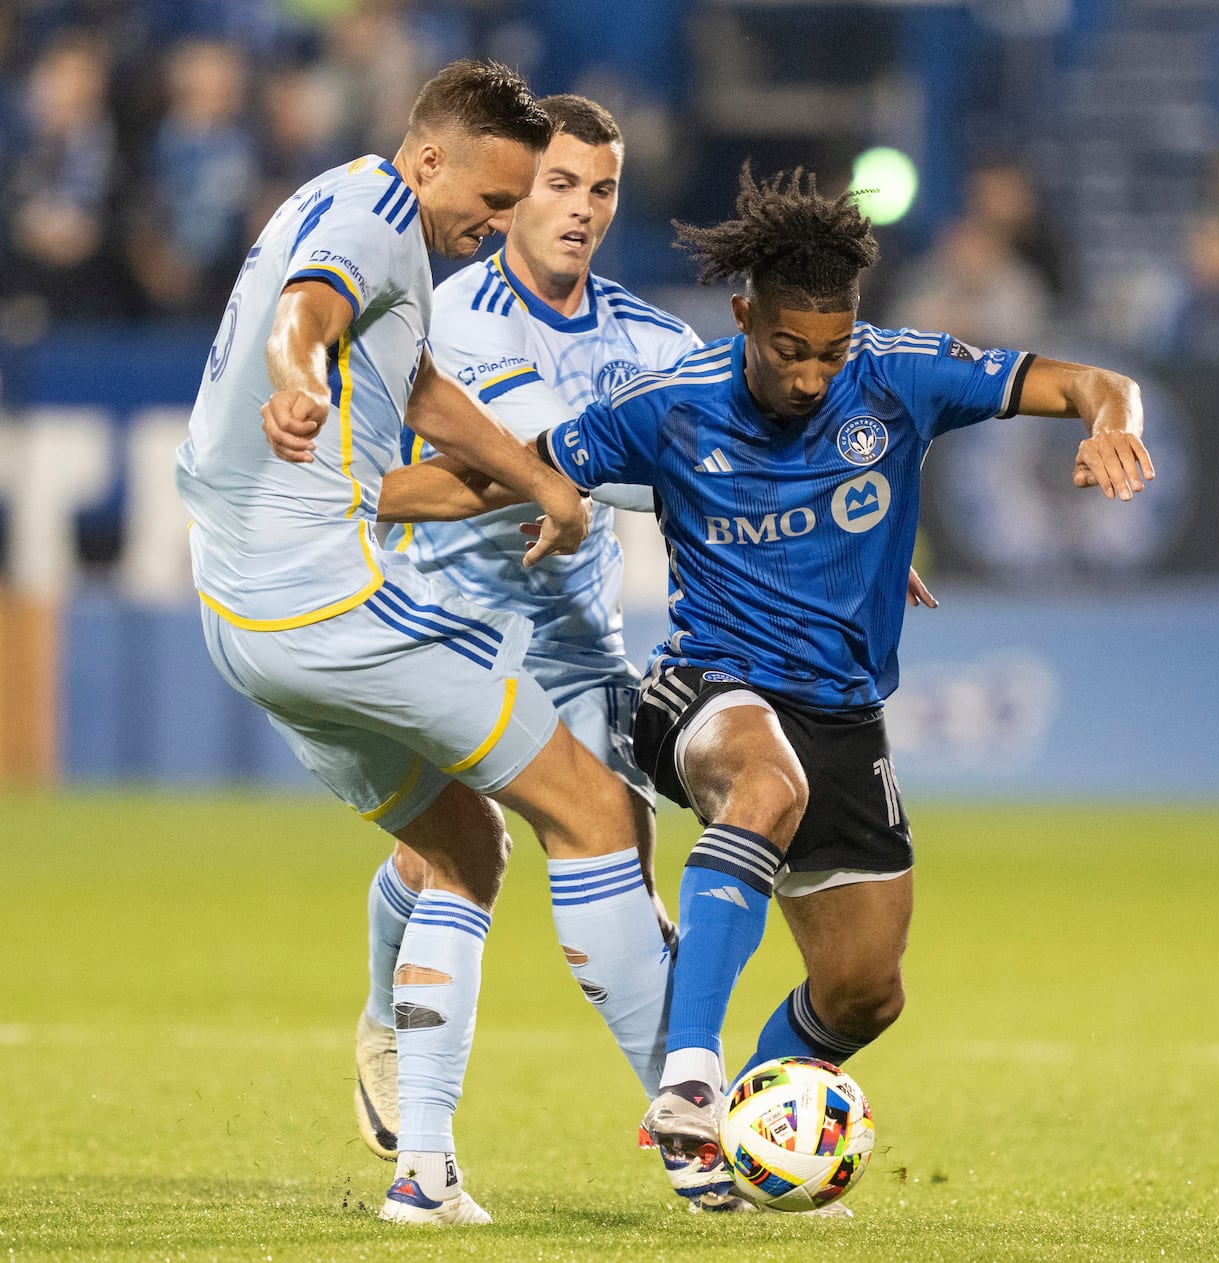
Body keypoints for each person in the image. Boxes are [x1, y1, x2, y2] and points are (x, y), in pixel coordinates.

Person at [527, 164, 1153, 1206]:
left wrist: (1109, 421)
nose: (813, 376)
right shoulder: (669, 405)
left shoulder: (899, 375)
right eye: (788, 350)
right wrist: (482, 504)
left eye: (830, 352)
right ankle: (689, 1076)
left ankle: (734, 1142)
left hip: (843, 717)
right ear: (742, 318)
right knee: (764, 787)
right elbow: (527, 465)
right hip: (702, 687)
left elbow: (1090, 380)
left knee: (863, 994)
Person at [177, 60, 665, 1228]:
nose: (488, 228)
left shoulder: (346, 196)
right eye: (494, 203)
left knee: (461, 843)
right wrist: (297, 387)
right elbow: (309, 317)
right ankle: (704, 1134)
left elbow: (422, 384)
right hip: (330, 599)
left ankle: (424, 1176)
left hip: (238, 610)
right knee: (594, 814)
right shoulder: (367, 220)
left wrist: (539, 485)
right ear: (434, 157)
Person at [348, 94, 700, 1166]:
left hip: (581, 642)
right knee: (460, 850)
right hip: (450, 622)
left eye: (601, 189)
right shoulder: (451, 318)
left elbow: (724, 458)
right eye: (557, 184)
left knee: (621, 854)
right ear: (510, 192)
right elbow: (526, 463)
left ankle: (686, 1107)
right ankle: (392, 1042)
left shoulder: (650, 336)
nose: (580, 209)